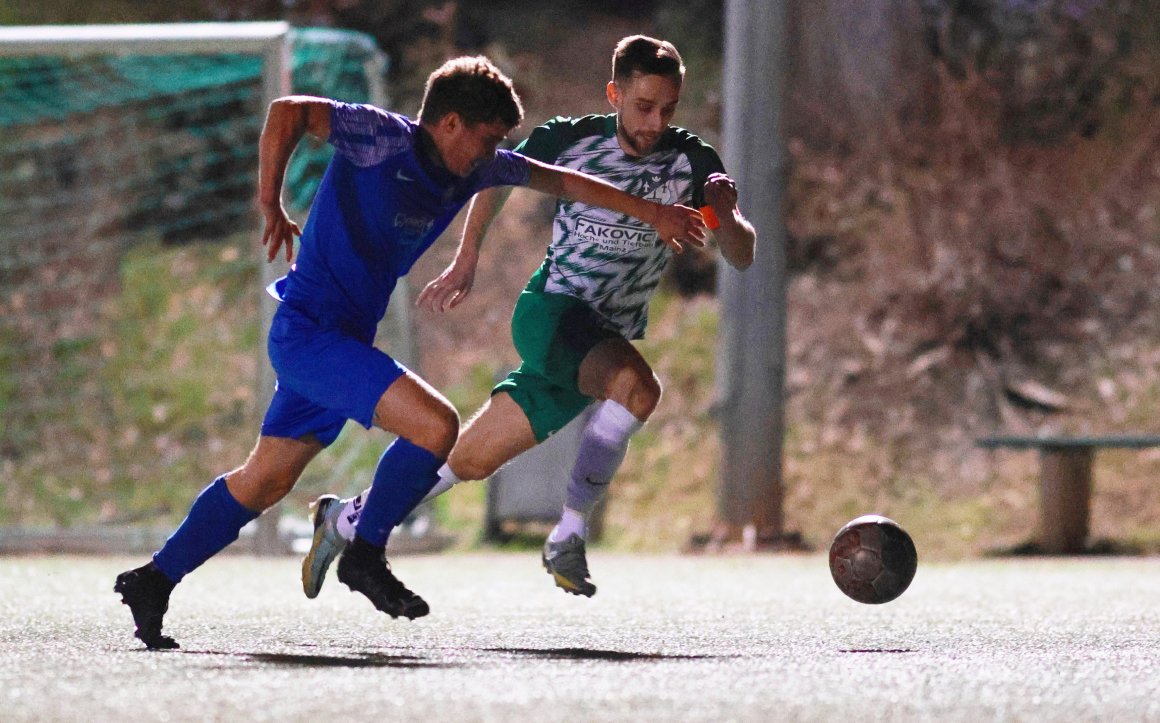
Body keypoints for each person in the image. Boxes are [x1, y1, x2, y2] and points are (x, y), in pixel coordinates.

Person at [112, 54, 707, 650]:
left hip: (340, 340)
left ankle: (154, 579)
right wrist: (270, 201)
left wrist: (655, 212)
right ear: (448, 124)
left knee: (264, 481)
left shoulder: (473, 168)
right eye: (485, 138)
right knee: (436, 424)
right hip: (311, 336)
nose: (491, 152)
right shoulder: (379, 137)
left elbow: (563, 181)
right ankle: (364, 553)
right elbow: (286, 112)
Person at [301, 35, 754, 600]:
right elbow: (493, 176)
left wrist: (728, 213)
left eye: (668, 108)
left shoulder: (692, 163)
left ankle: (343, 519)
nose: (655, 122)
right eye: (643, 106)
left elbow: (740, 253)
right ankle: (569, 534)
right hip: (554, 312)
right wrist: (467, 256)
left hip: (597, 338)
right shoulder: (569, 139)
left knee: (468, 459)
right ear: (615, 94)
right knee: (636, 388)